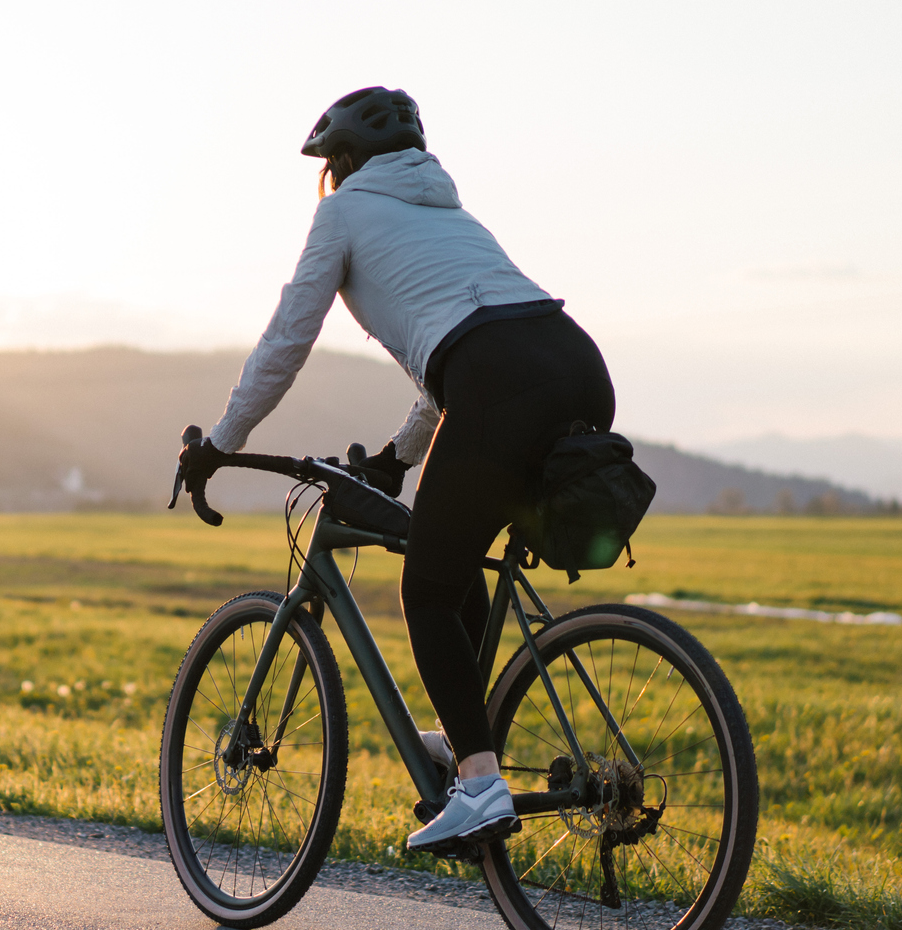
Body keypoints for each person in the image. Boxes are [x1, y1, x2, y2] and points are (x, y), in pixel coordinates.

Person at [179, 86, 615, 852]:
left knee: (426, 589)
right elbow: (458, 360)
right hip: (575, 364)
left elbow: (288, 341)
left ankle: (479, 784)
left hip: (495, 381)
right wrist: (394, 460)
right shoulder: (450, 214)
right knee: (456, 562)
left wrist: (221, 439)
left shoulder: (341, 213)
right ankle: (467, 741)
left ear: (340, 164)